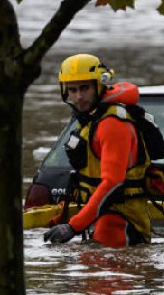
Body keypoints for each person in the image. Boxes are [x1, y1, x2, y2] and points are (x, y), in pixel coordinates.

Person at [43, 53, 153, 248]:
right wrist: (67, 214)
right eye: (73, 90)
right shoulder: (89, 120)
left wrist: (73, 226)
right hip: (100, 217)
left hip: (120, 223)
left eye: (85, 88)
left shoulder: (112, 124)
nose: (78, 97)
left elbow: (112, 183)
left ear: (99, 85)